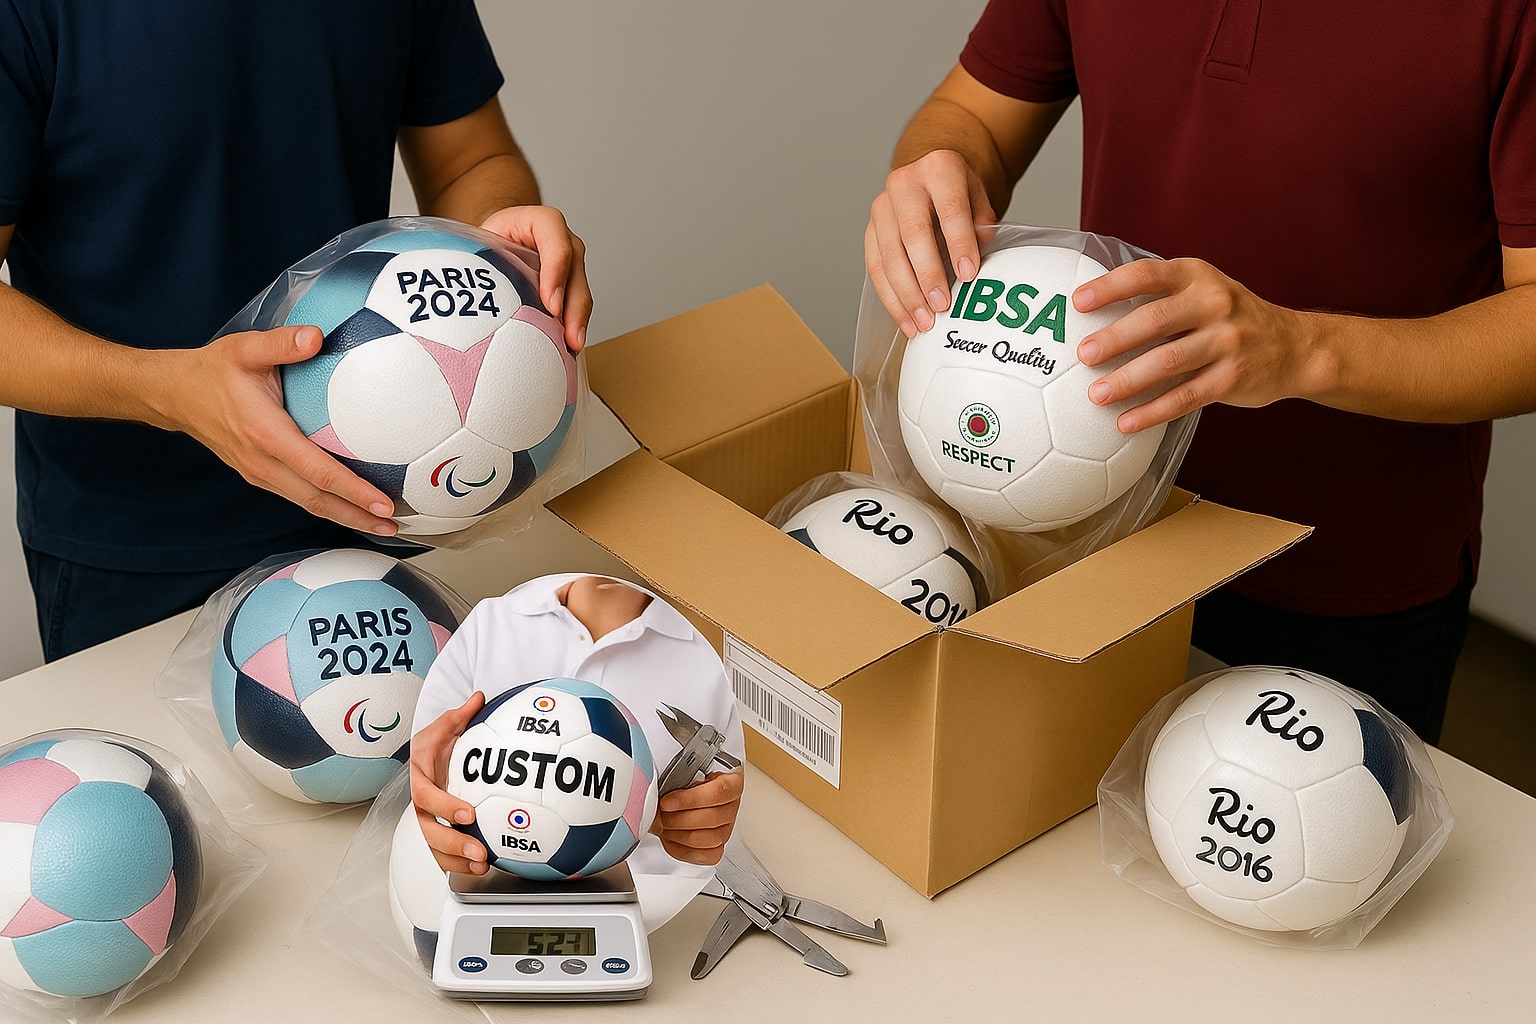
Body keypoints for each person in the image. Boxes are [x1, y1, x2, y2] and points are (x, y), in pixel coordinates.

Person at [864, 1, 1536, 743]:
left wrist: (1301, 348)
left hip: (1342, 575)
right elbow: (974, 117)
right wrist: (936, 172)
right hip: (1088, 523)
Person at [0, 1, 592, 661]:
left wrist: (498, 242)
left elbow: (469, 159)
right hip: (142, 537)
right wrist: (169, 390)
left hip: (405, 485)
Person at [409, 573, 745, 877]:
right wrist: (414, 798)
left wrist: (709, 825)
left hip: (648, 897)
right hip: (478, 882)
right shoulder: (489, 622)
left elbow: (726, 814)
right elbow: (413, 787)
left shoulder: (716, 662)